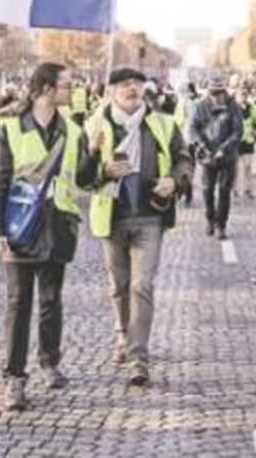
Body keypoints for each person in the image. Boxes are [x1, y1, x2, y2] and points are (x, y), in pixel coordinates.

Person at [0, 62, 87, 411]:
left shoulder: (73, 129)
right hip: (20, 228)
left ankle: (49, 362)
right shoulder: (10, 128)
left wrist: (97, 157)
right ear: (45, 88)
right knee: (18, 303)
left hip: (58, 225)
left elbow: (82, 177)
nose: (71, 91)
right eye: (66, 85)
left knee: (51, 300)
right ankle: (15, 378)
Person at [80, 66, 192, 386]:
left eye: (137, 84)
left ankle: (138, 356)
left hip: (150, 215)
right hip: (111, 215)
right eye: (125, 84)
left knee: (141, 285)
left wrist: (175, 180)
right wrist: (101, 168)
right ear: (112, 91)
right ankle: (122, 333)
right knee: (119, 285)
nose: (132, 89)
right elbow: (81, 176)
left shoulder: (163, 123)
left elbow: (184, 159)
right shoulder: (94, 125)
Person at [190, 77, 243, 240]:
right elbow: (193, 127)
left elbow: (237, 131)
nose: (216, 96)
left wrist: (223, 149)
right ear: (208, 92)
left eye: (219, 92)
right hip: (207, 154)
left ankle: (221, 225)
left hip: (227, 155)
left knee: (224, 191)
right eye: (213, 93)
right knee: (207, 189)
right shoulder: (201, 106)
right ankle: (210, 219)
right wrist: (200, 144)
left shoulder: (233, 106)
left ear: (224, 92)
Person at [236, 89, 255, 199]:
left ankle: (247, 189)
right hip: (238, 141)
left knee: (248, 166)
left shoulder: (252, 108)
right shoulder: (234, 108)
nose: (244, 96)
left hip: (249, 140)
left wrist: (255, 131)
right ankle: (236, 188)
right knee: (238, 167)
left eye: (245, 94)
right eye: (242, 94)